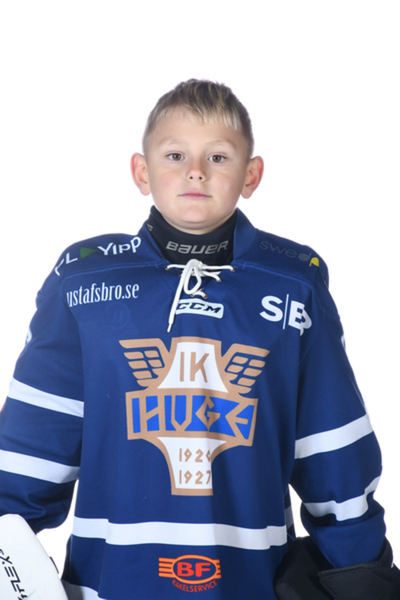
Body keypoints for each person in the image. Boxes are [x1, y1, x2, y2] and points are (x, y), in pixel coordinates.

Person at [0, 79, 398, 600]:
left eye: (217, 156)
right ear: (141, 172)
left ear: (251, 175)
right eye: (175, 155)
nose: (195, 171)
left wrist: (360, 570)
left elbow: (331, 446)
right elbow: (34, 441)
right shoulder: (85, 281)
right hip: (111, 584)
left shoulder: (294, 283)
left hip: (251, 584)